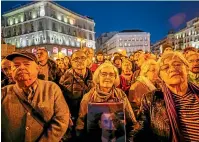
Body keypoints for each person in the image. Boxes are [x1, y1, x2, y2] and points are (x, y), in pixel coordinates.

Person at [2, 51, 70, 142]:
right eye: (16, 65)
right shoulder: (3, 92)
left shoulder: (51, 88)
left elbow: (62, 119)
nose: (21, 67)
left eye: (27, 64)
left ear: (37, 69)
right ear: (11, 71)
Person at [137, 52, 199, 142]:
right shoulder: (152, 99)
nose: (172, 69)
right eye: (165, 67)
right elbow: (140, 131)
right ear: (160, 76)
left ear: (187, 68)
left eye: (177, 64)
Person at [76, 61, 140, 142]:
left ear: (115, 78)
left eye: (111, 75)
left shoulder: (120, 95)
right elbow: (80, 124)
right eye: (104, 74)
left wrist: (130, 139)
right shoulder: (88, 97)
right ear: (98, 77)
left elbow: (132, 121)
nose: (107, 77)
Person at [59, 50, 93, 141]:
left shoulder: (95, 77)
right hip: (73, 120)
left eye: (83, 58)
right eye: (76, 59)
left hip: (92, 119)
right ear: (71, 62)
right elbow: (61, 101)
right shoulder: (65, 78)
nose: (80, 61)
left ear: (87, 60)